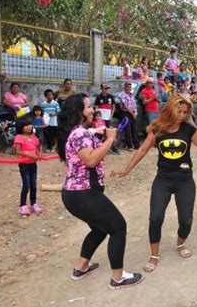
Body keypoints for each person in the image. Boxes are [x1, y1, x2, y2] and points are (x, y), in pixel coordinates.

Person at [112, 94, 197, 272]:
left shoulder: (188, 129)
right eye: (179, 111)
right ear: (171, 109)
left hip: (185, 179)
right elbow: (142, 150)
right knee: (155, 217)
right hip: (163, 179)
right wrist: (127, 169)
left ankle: (180, 243)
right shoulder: (158, 129)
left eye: (185, 112)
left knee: (186, 219)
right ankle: (154, 255)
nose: (182, 115)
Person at [57, 93, 142, 289]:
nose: (92, 109)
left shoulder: (79, 132)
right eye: (88, 106)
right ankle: (118, 278)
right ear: (79, 111)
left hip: (78, 194)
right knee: (118, 227)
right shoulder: (80, 134)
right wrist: (110, 140)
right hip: (83, 194)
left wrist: (101, 135)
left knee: (100, 228)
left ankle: (81, 267)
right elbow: (91, 160)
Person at [14, 117, 43, 216]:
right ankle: (23, 205)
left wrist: (39, 153)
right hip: (24, 164)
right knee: (26, 185)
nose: (29, 126)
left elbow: (37, 146)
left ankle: (33, 203)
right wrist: (30, 155)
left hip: (33, 164)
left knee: (33, 185)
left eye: (30, 124)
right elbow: (18, 151)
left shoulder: (33, 136)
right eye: (26, 125)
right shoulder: (19, 137)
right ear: (21, 127)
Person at [94, 83, 119, 154]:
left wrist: (111, 115)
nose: (106, 90)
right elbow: (96, 107)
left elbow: (113, 106)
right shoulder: (98, 97)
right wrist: (97, 117)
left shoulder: (111, 96)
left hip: (108, 117)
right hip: (101, 118)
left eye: (107, 88)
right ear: (102, 89)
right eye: (105, 88)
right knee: (101, 132)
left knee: (109, 132)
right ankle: (101, 147)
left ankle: (112, 147)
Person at [117, 82, 140, 151]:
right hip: (126, 113)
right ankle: (129, 146)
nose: (129, 88)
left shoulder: (131, 95)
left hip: (133, 113)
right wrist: (132, 114)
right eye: (127, 87)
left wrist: (135, 112)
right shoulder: (122, 95)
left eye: (130, 87)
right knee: (128, 130)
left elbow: (134, 105)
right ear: (124, 87)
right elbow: (125, 106)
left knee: (135, 129)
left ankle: (137, 145)